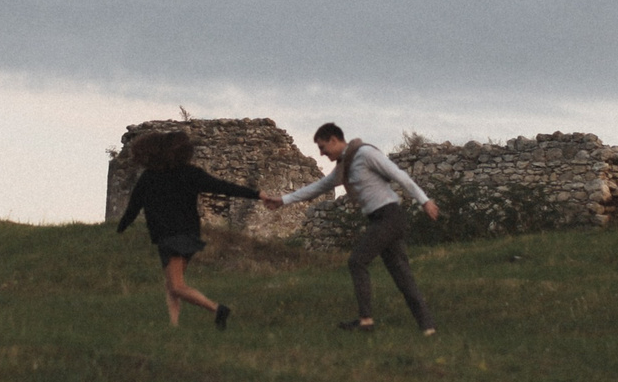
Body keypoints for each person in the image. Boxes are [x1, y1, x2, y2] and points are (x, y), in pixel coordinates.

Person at [268, 124, 438, 335]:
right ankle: (428, 327)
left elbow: (398, 175)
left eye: (323, 147)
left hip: (390, 217)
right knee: (401, 274)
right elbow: (318, 187)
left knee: (357, 261)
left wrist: (424, 201)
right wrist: (283, 200)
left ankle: (366, 320)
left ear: (333, 140)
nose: (321, 153)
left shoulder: (365, 154)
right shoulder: (344, 167)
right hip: (380, 220)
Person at [114, 130, 262, 329]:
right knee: (172, 285)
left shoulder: (149, 177)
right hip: (184, 236)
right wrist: (257, 195)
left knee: (176, 286)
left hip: (173, 238)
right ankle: (173, 326)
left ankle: (217, 309)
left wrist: (120, 229)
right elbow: (225, 187)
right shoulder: (190, 174)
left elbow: (133, 208)